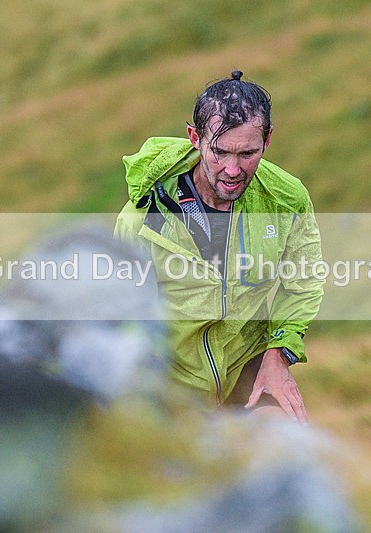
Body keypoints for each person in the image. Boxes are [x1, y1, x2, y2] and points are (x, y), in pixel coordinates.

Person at [114, 70, 324, 423]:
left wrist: (279, 353)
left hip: (250, 368)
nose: (232, 169)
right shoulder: (145, 214)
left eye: (247, 153)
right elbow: (117, 311)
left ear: (268, 140)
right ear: (195, 138)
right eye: (220, 151)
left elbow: (303, 282)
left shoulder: (288, 200)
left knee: (283, 458)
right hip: (169, 384)